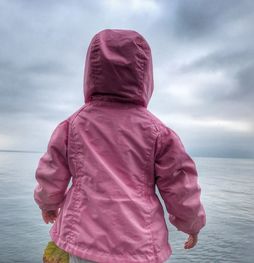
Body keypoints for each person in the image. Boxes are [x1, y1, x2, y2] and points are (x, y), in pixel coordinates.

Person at [34, 29, 206, 263]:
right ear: (145, 75)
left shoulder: (73, 125)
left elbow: (51, 171)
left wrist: (48, 203)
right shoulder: (158, 132)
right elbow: (180, 185)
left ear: (91, 72)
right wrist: (191, 224)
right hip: (140, 243)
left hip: (84, 238)